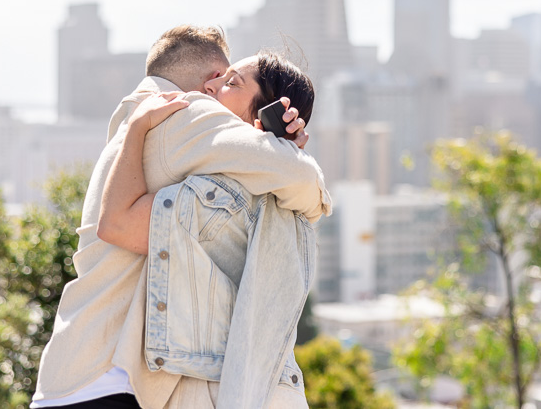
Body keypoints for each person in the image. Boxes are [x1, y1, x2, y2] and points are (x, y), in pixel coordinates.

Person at [32, 27, 330, 409]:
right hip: (107, 381)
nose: (215, 87)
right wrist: (288, 151)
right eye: (222, 77)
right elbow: (307, 185)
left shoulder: (139, 121)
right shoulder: (184, 114)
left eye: (230, 82)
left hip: (76, 372)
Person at [96, 52, 318, 408]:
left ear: (262, 118)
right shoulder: (281, 199)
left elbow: (116, 223)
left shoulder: (220, 197)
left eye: (231, 83)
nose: (209, 86)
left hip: (219, 390)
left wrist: (136, 128)